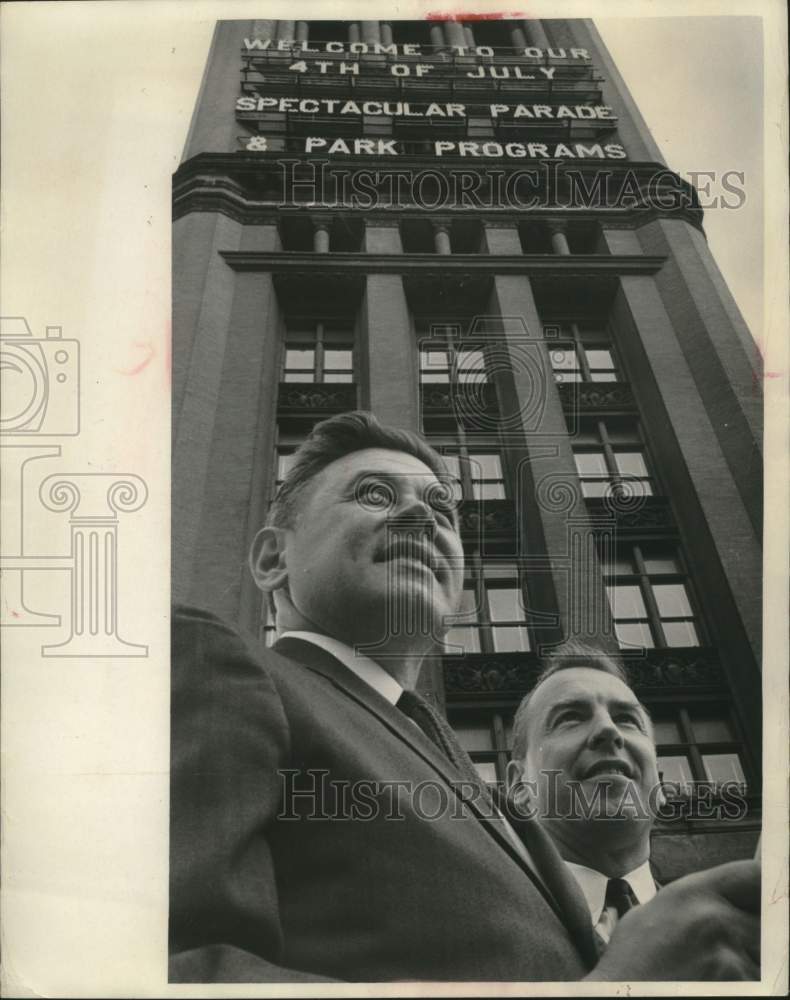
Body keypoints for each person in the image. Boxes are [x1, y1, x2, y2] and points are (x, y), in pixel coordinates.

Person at [169, 410, 760, 982]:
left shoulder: (460, 772)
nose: (422, 519)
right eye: (375, 494)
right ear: (274, 558)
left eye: (441, 509)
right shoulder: (217, 665)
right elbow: (168, 967)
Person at [507, 648, 662, 949]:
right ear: (519, 788)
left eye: (627, 719)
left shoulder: (746, 945)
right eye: (570, 718)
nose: (608, 729)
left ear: (662, 783)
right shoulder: (471, 939)